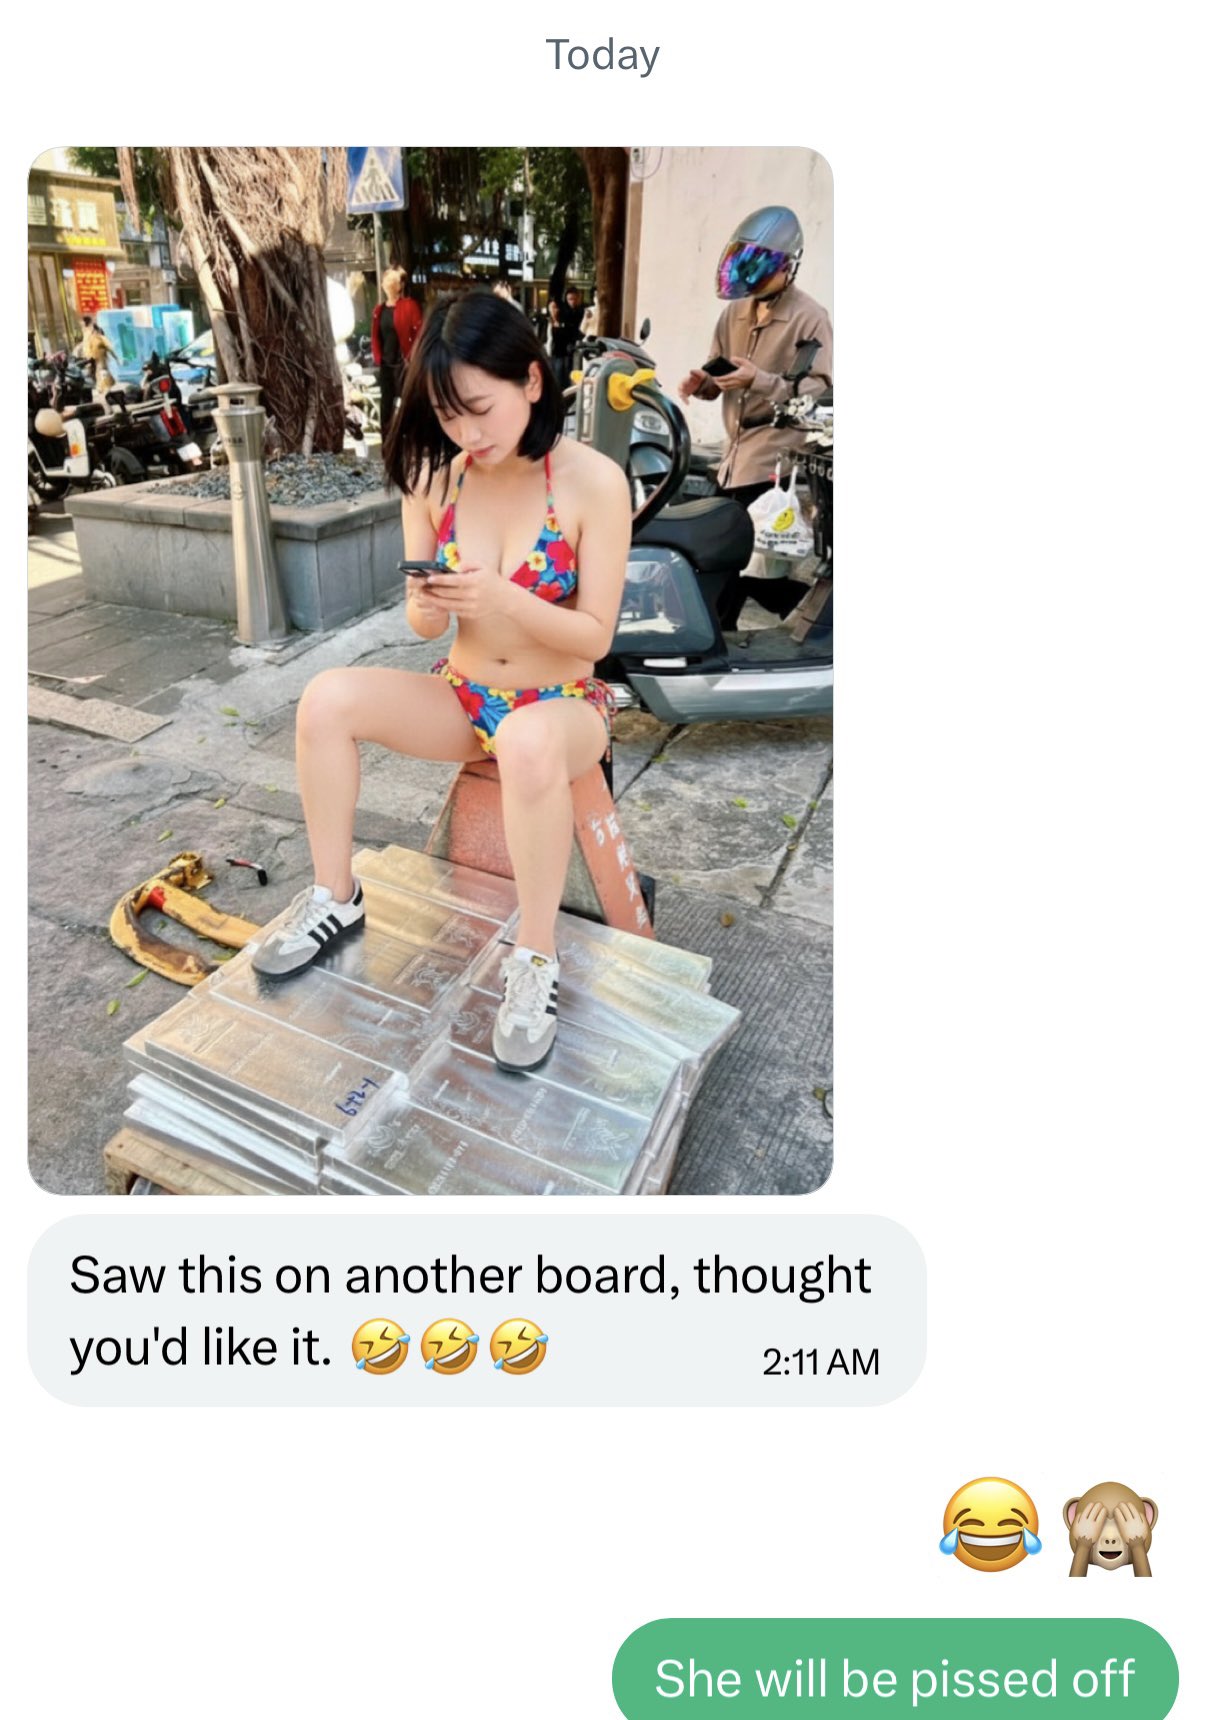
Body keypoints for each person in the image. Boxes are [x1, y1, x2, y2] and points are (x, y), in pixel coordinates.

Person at [252, 292, 631, 1073]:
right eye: (450, 416)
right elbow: (423, 624)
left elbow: (596, 637)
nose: (468, 434)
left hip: (563, 704)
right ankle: (334, 896)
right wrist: (428, 603)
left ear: (532, 381)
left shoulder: (592, 482)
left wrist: (504, 600)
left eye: (481, 410)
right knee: (326, 699)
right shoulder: (437, 479)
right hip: (465, 694)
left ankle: (534, 958)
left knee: (526, 743)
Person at [679, 206, 833, 628]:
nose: (753, 276)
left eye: (763, 265)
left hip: (773, 459)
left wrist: (760, 380)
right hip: (733, 458)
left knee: (734, 564)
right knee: (734, 564)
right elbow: (719, 376)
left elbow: (818, 395)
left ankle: (816, 624)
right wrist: (702, 383)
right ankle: (809, 623)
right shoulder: (735, 313)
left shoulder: (810, 318)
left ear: (788, 265)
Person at [371, 267, 423, 429]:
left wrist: (412, 358)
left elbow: (419, 335)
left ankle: (409, 436)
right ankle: (387, 438)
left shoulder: (409, 306)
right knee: (386, 405)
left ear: (399, 286)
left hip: (404, 363)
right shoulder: (379, 310)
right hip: (386, 364)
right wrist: (378, 357)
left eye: (392, 282)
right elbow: (375, 336)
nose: (388, 285)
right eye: (386, 282)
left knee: (408, 404)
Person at [75, 315, 117, 395]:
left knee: (101, 370)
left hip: (99, 356)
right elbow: (86, 344)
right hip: (91, 357)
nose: (81, 325)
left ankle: (104, 387)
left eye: (82, 323)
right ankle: (103, 387)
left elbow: (105, 344)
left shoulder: (94, 332)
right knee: (97, 372)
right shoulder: (86, 332)